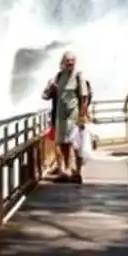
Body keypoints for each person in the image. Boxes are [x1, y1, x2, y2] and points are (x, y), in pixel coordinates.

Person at [41, 51, 89, 182]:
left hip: (74, 115)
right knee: (63, 143)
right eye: (68, 60)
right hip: (60, 116)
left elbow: (84, 98)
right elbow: (47, 95)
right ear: (63, 62)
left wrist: (82, 116)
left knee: (76, 144)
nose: (70, 63)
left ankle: (77, 172)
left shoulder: (79, 76)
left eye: (72, 60)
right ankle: (67, 170)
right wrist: (49, 87)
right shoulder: (59, 76)